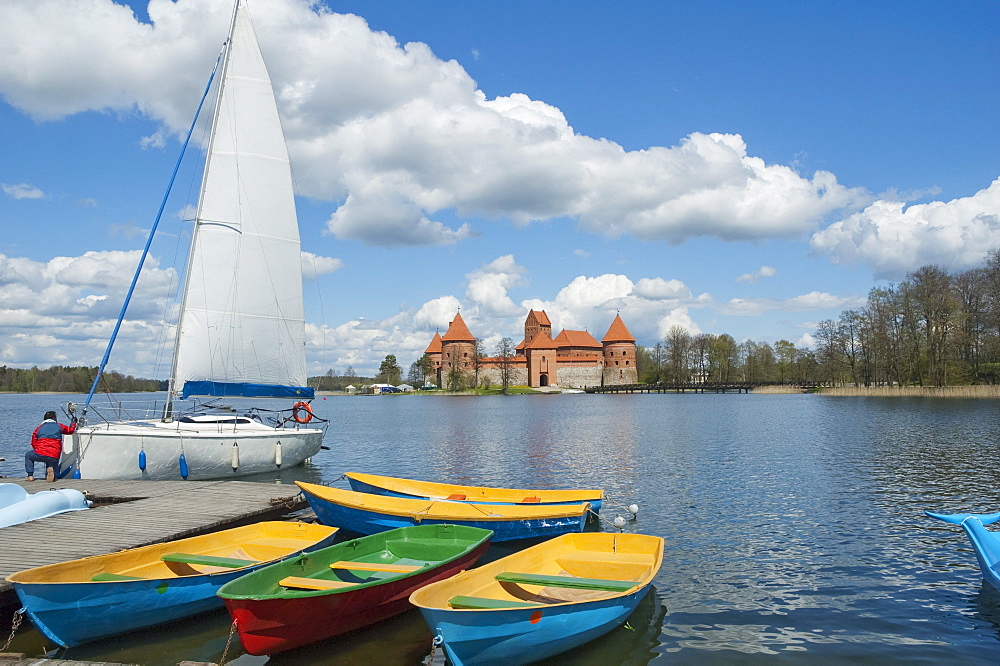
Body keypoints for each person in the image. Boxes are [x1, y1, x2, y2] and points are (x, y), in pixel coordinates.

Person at [26, 410, 76, 482]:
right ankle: (51, 472)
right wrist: (73, 423)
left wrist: (38, 449)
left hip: (41, 452)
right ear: (54, 418)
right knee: (51, 463)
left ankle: (30, 475)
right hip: (54, 454)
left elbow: (33, 441)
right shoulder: (59, 426)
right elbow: (70, 430)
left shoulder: (39, 428)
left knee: (28, 455)